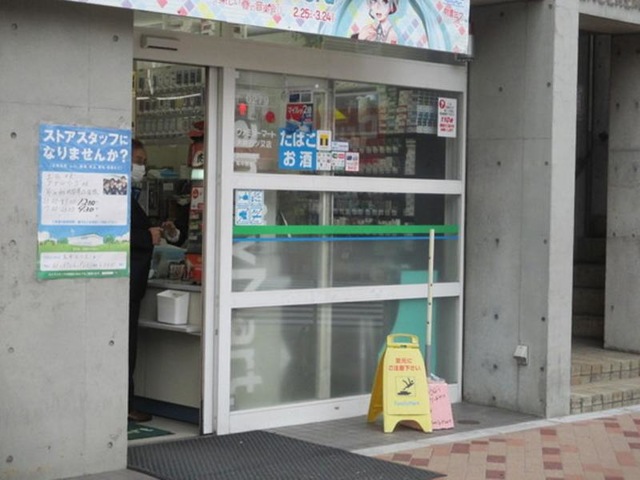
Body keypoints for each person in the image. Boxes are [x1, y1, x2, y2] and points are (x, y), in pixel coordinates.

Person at [128, 138, 180, 422]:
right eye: (138, 161)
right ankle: (125, 405)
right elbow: (113, 235)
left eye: (144, 162)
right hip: (124, 284)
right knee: (125, 347)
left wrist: (160, 231)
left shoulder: (130, 195)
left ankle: (126, 402)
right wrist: (147, 236)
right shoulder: (116, 195)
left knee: (128, 346)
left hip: (131, 285)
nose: (142, 167)